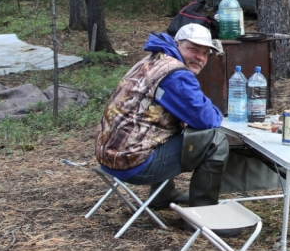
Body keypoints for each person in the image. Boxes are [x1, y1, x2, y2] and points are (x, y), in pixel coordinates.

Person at [94, 23, 231, 233]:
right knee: (214, 139)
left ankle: (162, 196)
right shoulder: (176, 74)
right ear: (177, 44)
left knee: (169, 130)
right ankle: (203, 218)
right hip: (132, 164)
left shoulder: (154, 60)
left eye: (205, 53)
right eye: (193, 49)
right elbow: (207, 119)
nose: (200, 57)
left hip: (109, 155)